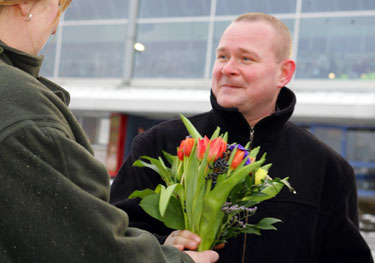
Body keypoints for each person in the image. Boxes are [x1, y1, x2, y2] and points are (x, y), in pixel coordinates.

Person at [110, 13, 374, 263]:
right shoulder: (159, 145)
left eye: (246, 59)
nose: (228, 69)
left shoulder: (327, 168)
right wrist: (164, 247)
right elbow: (111, 238)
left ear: (284, 72)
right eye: (222, 56)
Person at [0, 1, 219, 262]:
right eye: (57, 6)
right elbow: (89, 245)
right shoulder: (21, 104)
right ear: (25, 4)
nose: (55, 28)